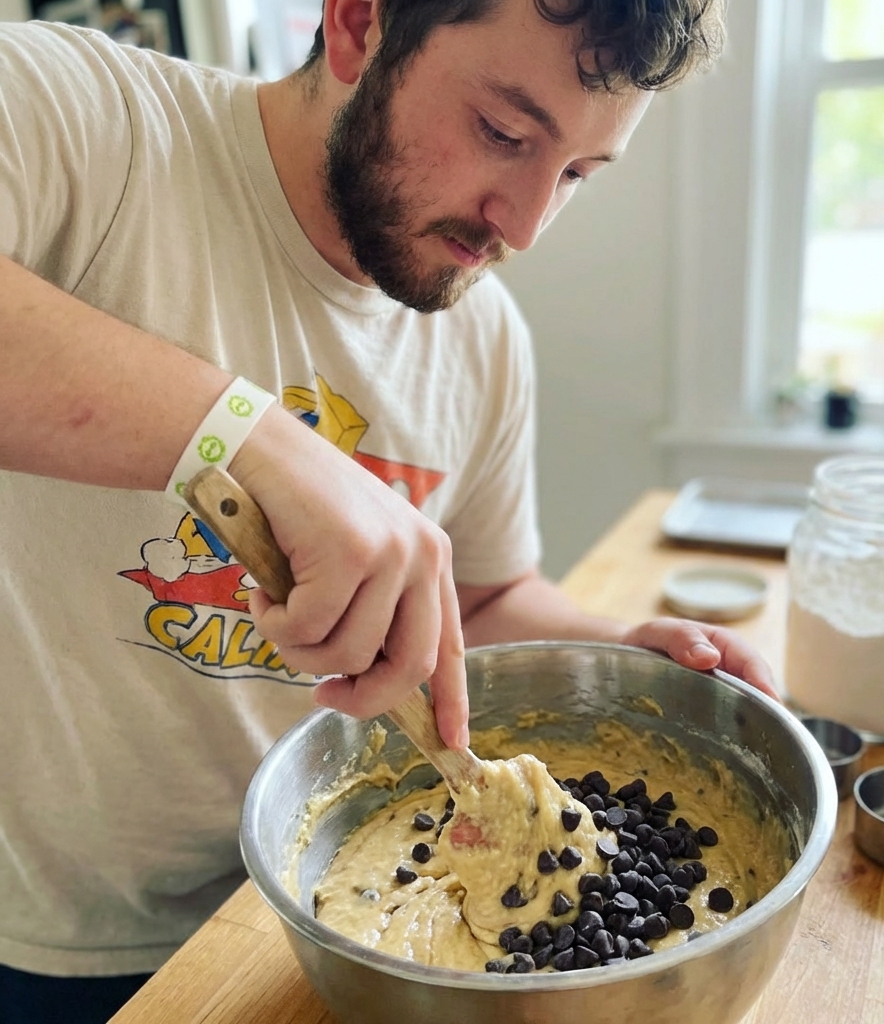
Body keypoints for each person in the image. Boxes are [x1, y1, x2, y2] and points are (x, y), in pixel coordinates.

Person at [0, 1, 774, 1021]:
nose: (528, 224)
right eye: (504, 133)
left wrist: (616, 643)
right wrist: (244, 433)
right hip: (53, 940)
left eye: (579, 174)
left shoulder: (483, 337)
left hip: (310, 924)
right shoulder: (81, 115)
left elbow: (482, 599)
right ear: (360, 22)